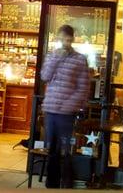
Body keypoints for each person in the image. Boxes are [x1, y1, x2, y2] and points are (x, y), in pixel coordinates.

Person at [40, 25, 91, 188]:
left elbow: (83, 87)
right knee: (52, 149)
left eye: (68, 40)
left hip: (67, 112)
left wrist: (69, 105)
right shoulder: (52, 55)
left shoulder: (80, 59)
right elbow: (45, 76)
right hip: (51, 109)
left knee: (66, 150)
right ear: (58, 39)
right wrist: (56, 58)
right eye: (63, 40)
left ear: (72, 39)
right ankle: (51, 184)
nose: (66, 43)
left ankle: (68, 183)